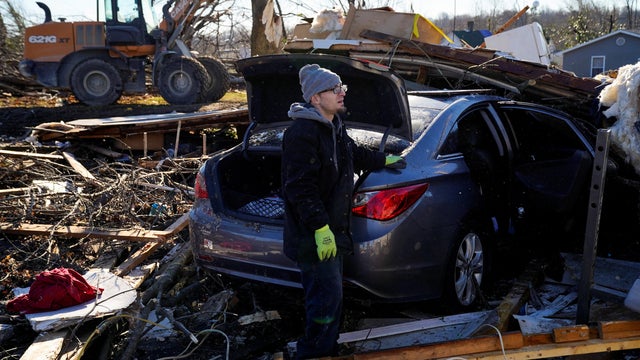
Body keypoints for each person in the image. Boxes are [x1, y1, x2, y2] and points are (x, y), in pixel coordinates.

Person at [281, 63, 406, 359]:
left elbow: (353, 154)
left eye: (342, 87)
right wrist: (320, 228)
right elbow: (299, 188)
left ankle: (326, 347)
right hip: (312, 236)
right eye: (334, 89)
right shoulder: (302, 133)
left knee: (332, 297)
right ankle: (313, 353)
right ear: (315, 98)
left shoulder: (334, 126)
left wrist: (384, 160)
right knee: (324, 300)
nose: (341, 93)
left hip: (332, 231)